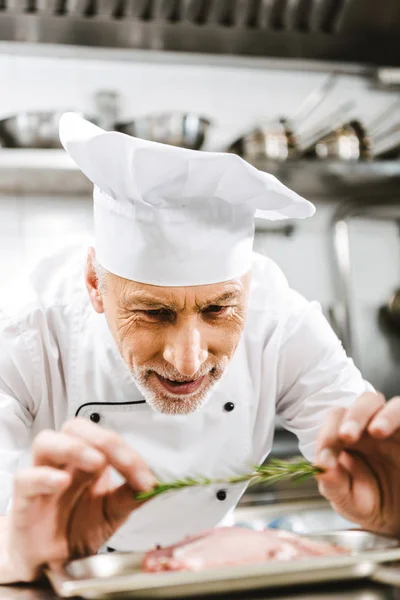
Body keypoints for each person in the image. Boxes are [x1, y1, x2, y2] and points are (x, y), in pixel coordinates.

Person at [0, 114, 398, 585]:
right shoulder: (27, 339)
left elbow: (366, 448)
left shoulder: (281, 325)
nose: (188, 360)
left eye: (217, 309)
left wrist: (392, 514)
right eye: (152, 313)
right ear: (94, 284)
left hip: (213, 576)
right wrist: (12, 555)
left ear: (246, 289)